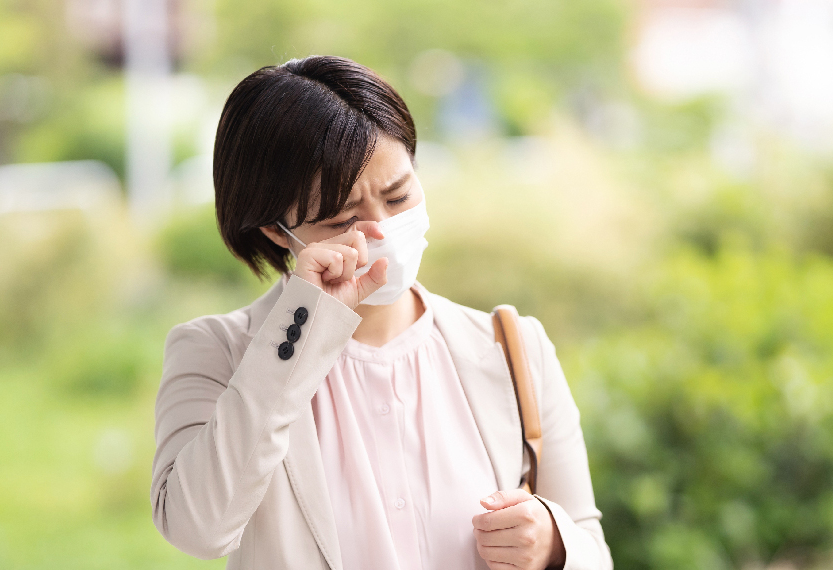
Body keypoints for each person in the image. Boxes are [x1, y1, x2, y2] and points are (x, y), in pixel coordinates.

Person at [149, 55, 612, 570]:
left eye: (398, 196)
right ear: (279, 231)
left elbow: (591, 546)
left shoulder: (513, 347)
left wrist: (553, 543)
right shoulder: (216, 353)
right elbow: (198, 528)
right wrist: (303, 326)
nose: (381, 230)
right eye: (343, 217)